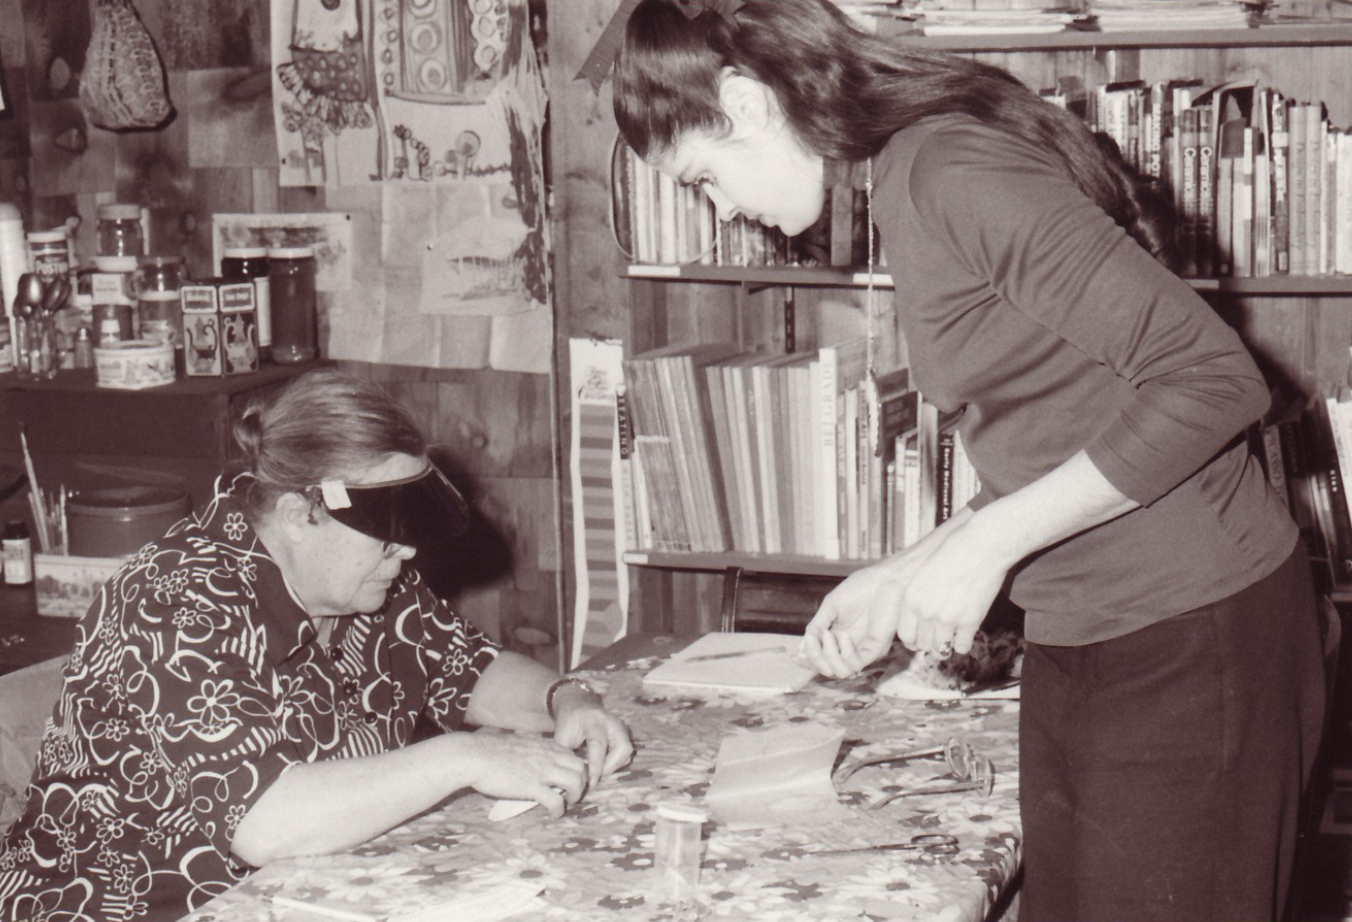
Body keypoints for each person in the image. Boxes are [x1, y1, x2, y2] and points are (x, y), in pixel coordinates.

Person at [610, 1, 1327, 920]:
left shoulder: (945, 169)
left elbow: (1213, 380)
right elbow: (1064, 419)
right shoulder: (905, 174)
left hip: (1192, 635)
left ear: (747, 103)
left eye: (705, 177)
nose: (722, 211)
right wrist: (910, 567)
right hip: (1087, 629)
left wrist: (986, 548)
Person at [0, 368, 633, 922]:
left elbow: (471, 670)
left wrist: (565, 698)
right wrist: (463, 757)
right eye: (386, 528)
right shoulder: (173, 601)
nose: (406, 549)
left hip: (303, 891)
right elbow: (266, 823)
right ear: (302, 514)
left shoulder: (363, 581)